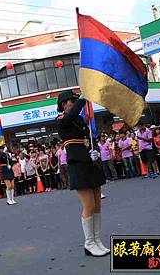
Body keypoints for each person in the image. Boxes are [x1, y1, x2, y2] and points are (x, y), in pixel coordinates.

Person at [56, 90, 108, 257]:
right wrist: (85, 94)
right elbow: (70, 116)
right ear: (64, 105)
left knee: (97, 204)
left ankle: (97, 240)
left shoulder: (79, 119)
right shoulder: (62, 120)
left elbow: (90, 139)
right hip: (77, 164)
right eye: (72, 101)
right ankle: (89, 243)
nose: (75, 103)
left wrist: (95, 151)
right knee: (89, 205)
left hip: (90, 162)